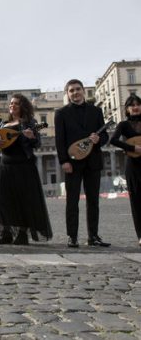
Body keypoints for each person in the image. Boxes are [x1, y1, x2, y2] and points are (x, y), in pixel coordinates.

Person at [0, 94, 53, 245]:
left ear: (23, 106)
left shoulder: (30, 123)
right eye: (11, 103)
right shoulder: (3, 124)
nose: (12, 105)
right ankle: (6, 233)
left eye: (16, 103)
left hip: (24, 167)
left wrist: (31, 137)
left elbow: (37, 144)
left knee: (23, 200)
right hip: (6, 167)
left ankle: (22, 233)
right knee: (4, 200)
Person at [55, 79, 110, 248]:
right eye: (71, 90)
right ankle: (72, 236)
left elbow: (106, 137)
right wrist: (64, 160)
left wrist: (98, 139)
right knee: (72, 201)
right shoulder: (61, 113)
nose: (75, 93)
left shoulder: (96, 111)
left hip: (93, 161)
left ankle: (93, 236)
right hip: (72, 163)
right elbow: (60, 140)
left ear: (84, 91)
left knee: (93, 201)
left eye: (78, 89)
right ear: (67, 94)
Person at [108, 94, 141, 246]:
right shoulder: (123, 125)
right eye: (132, 105)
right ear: (127, 109)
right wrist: (132, 147)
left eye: (138, 104)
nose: (135, 107)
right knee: (136, 201)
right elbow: (113, 140)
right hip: (133, 166)